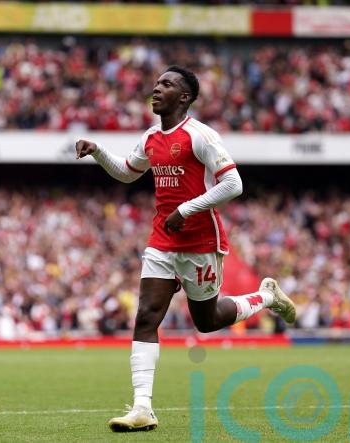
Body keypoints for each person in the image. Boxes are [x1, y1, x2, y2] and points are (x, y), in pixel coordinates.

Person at [75, 65, 296, 432]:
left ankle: (267, 297)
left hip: (200, 241)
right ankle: (142, 407)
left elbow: (234, 184)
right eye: (156, 83)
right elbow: (128, 172)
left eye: (166, 84)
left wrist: (187, 209)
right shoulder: (150, 137)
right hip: (162, 240)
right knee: (147, 315)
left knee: (207, 321)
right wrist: (98, 151)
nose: (156, 88)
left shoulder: (201, 136)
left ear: (184, 97)